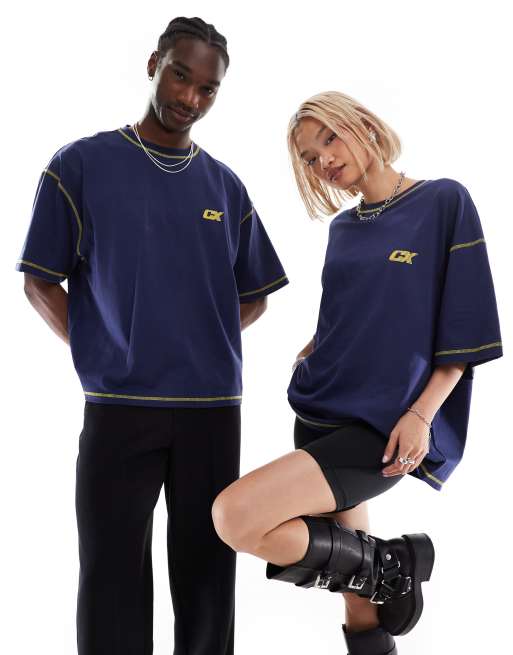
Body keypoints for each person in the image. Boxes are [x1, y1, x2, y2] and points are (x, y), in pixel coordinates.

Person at [15, 17, 288, 655]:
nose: (190, 97)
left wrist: (200, 337)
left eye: (207, 88)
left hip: (210, 411)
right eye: (180, 76)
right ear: (153, 66)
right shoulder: (80, 166)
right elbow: (40, 281)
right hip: (119, 407)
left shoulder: (225, 186)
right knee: (110, 573)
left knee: (208, 576)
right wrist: (101, 349)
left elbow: (254, 294)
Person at [211, 91, 503, 655]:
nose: (324, 159)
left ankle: (388, 562)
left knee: (235, 518)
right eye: (310, 156)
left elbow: (464, 325)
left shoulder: (443, 201)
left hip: (382, 425)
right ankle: (381, 567)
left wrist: (422, 415)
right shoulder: (343, 228)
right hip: (319, 409)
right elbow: (352, 311)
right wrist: (313, 349)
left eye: (330, 138)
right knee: (358, 601)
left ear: (363, 125)